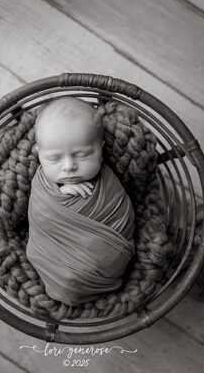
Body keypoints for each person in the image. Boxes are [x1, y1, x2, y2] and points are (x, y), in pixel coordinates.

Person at [26, 97, 135, 305]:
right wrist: (60, 194)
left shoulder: (108, 184)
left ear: (101, 150)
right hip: (50, 257)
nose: (68, 166)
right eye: (54, 158)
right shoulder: (41, 184)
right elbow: (40, 214)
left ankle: (85, 282)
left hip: (104, 262)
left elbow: (123, 214)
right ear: (39, 154)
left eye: (83, 155)